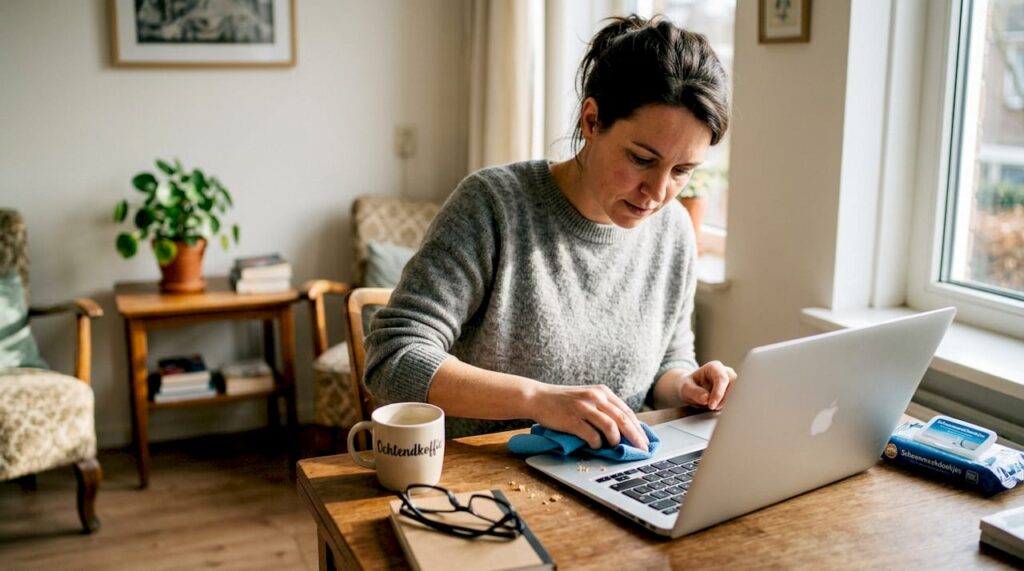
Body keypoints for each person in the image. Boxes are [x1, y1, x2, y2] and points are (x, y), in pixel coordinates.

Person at [365, 15, 736, 451]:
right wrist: (539, 399)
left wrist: (686, 385)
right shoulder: (492, 206)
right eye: (641, 159)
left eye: (682, 171)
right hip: (483, 487)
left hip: (613, 478)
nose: (658, 193)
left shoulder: (672, 230)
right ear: (592, 121)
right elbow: (392, 357)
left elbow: (666, 365)